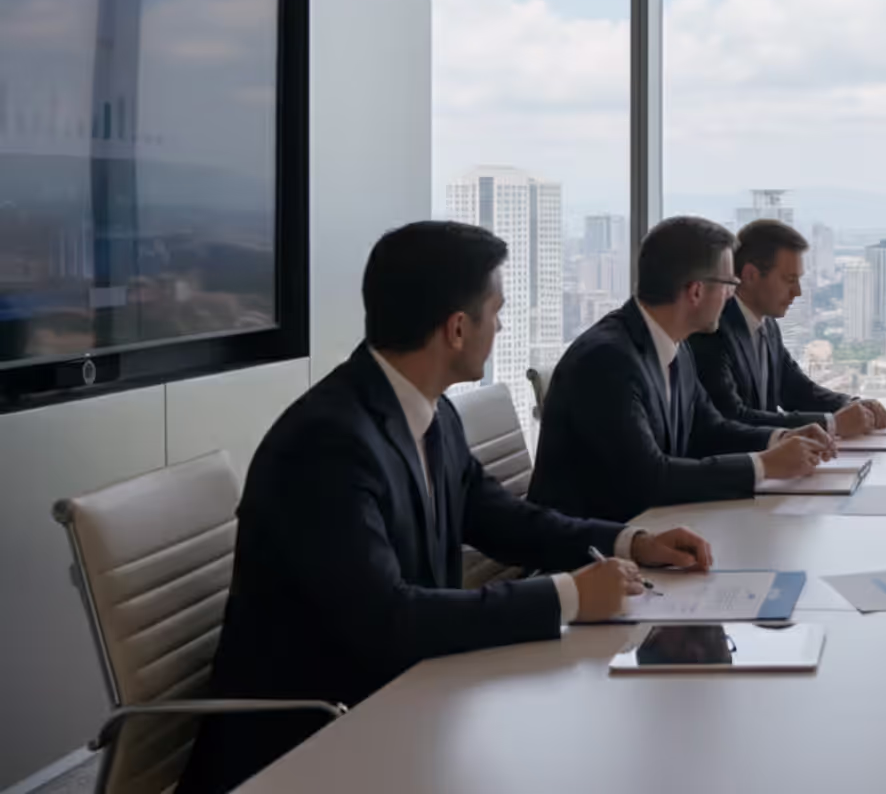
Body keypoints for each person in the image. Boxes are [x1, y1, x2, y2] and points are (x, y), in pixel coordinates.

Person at [177, 222, 714, 794]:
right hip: (310, 746)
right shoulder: (327, 444)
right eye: (496, 312)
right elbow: (388, 619)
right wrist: (569, 596)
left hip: (405, 704)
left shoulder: (429, 413)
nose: (501, 327)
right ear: (457, 328)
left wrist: (631, 542)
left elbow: (502, 518)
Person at [529, 216, 835, 523]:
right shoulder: (607, 360)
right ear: (696, 291)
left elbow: (710, 429)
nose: (732, 295)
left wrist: (781, 439)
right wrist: (764, 466)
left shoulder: (676, 345)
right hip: (596, 543)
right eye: (729, 284)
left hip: (654, 528)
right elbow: (648, 479)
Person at [687, 219, 886, 436]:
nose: (797, 291)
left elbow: (796, 390)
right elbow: (732, 417)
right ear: (750, 275)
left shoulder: (767, 325)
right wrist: (831, 424)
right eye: (789, 279)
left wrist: (852, 404)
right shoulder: (713, 329)